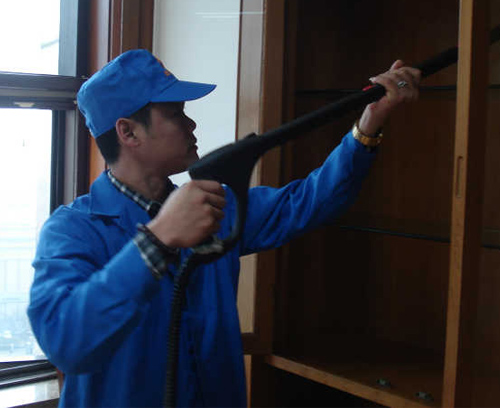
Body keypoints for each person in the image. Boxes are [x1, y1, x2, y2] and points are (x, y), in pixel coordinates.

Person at [28, 49, 420, 408]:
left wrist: (370, 122)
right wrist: (158, 239)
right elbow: (67, 342)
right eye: (175, 113)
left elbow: (309, 201)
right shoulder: (72, 230)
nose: (191, 123)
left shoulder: (216, 207)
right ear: (128, 132)